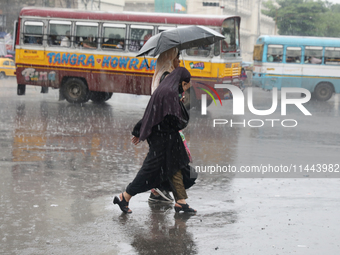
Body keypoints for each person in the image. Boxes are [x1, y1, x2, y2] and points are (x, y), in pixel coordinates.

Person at [113, 67, 197, 214]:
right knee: (150, 171)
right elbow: (172, 119)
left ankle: (180, 202)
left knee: (175, 167)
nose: (185, 88)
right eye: (185, 85)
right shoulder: (169, 93)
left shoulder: (166, 90)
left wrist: (139, 130)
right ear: (180, 81)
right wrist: (179, 105)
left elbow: (152, 113)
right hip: (163, 140)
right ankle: (124, 197)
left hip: (167, 139)